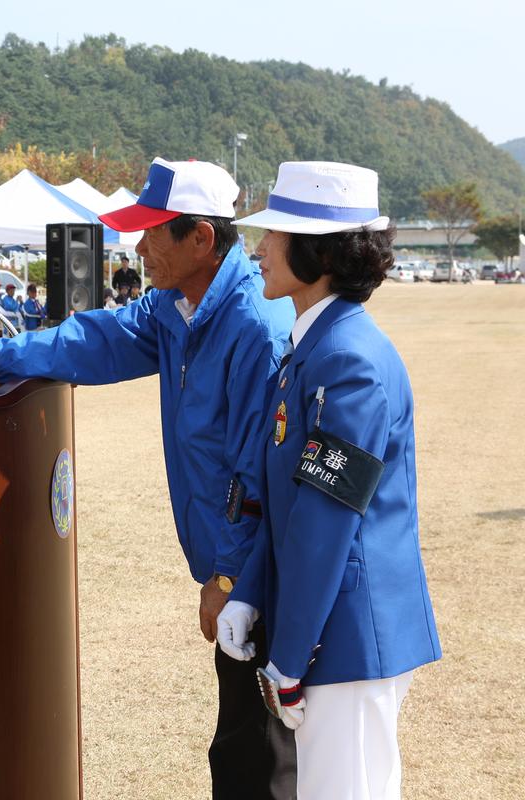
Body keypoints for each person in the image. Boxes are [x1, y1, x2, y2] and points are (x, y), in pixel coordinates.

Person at [0, 157, 297, 798]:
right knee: (242, 746)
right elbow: (94, 339)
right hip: (237, 572)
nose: (137, 246)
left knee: (258, 755)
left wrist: (230, 578)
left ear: (201, 238)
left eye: (152, 232)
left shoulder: (253, 326)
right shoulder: (180, 306)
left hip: (261, 575)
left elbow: (257, 475)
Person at [216, 162, 442, 800]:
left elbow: (324, 523)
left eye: (275, 235)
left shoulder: (347, 360)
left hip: (345, 637)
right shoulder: (316, 347)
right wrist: (250, 593)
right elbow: (289, 505)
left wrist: (288, 656)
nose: (259, 249)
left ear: (315, 252)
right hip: (330, 630)